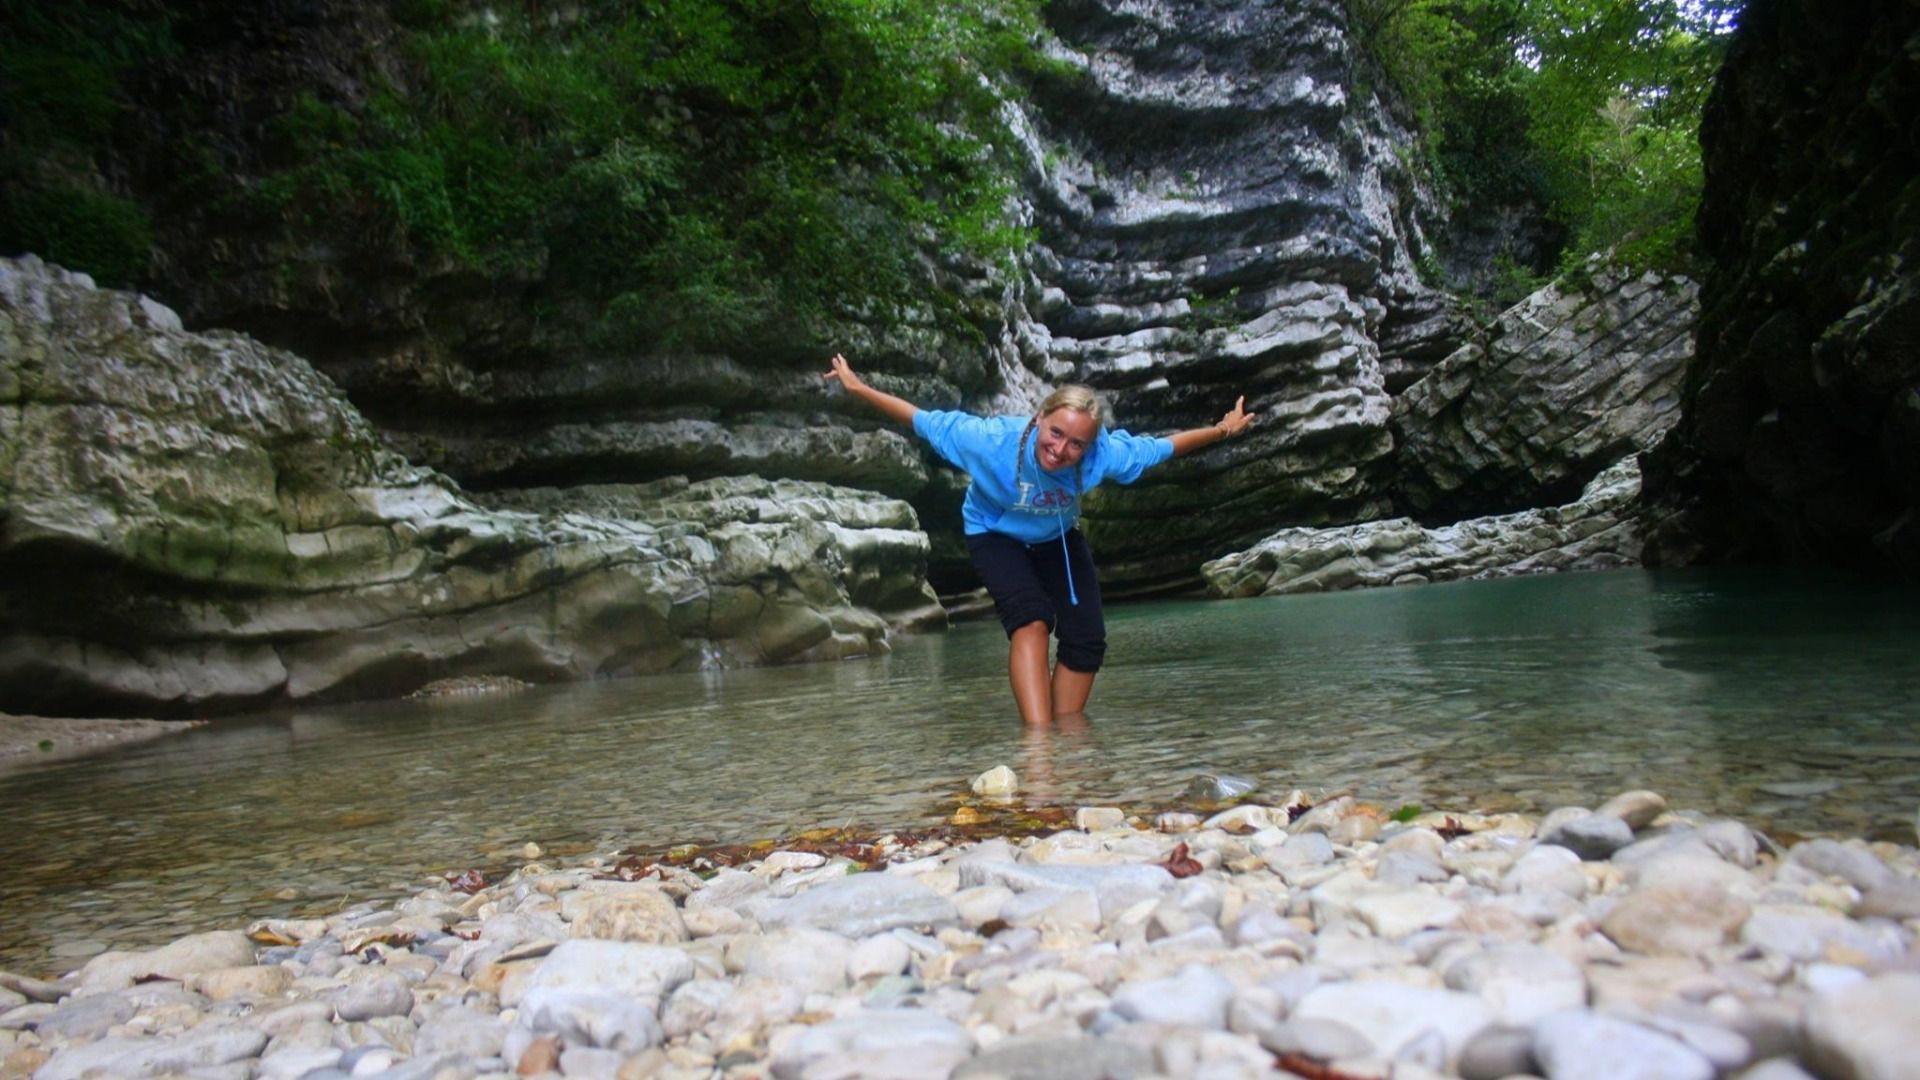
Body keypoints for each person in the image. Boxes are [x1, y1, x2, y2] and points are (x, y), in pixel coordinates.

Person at [823, 353, 1255, 726]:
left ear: (1089, 448)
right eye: (1056, 434)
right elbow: (920, 420)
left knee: (1086, 642)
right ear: (1040, 419)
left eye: (1075, 444)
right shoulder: (990, 441)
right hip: (994, 532)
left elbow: (1163, 448)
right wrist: (858, 387)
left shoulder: (1104, 456)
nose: (1061, 450)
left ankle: (1066, 740)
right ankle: (1039, 743)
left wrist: (1221, 431)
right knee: (1030, 619)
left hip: (1056, 536)